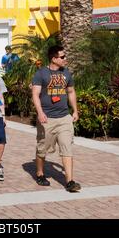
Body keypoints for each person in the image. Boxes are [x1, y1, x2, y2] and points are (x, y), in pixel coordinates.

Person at [32, 45, 81, 192]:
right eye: (62, 57)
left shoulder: (67, 73)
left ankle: (70, 181)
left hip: (64, 117)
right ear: (54, 59)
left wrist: (75, 111)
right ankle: (40, 173)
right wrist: (40, 113)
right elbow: (35, 94)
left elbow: (71, 92)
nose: (65, 59)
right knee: (42, 149)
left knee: (67, 148)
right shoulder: (41, 73)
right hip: (47, 119)